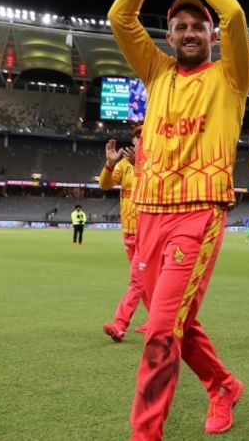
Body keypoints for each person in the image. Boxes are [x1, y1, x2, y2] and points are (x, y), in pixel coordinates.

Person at [107, 0, 249, 437]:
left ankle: (144, 433)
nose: (190, 32)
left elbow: (234, 14)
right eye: (180, 26)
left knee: (161, 328)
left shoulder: (232, 76)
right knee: (179, 323)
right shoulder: (157, 70)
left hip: (198, 213)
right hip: (148, 214)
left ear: (211, 34)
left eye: (198, 25)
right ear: (168, 35)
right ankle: (222, 386)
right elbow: (120, 19)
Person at [100, 125, 147, 342]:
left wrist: (140, 163)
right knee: (144, 280)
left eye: (143, 136)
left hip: (147, 232)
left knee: (136, 281)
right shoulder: (124, 165)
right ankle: (159, 320)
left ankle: (120, 323)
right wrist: (110, 164)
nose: (138, 139)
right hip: (128, 232)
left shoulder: (154, 163)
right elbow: (105, 185)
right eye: (136, 136)